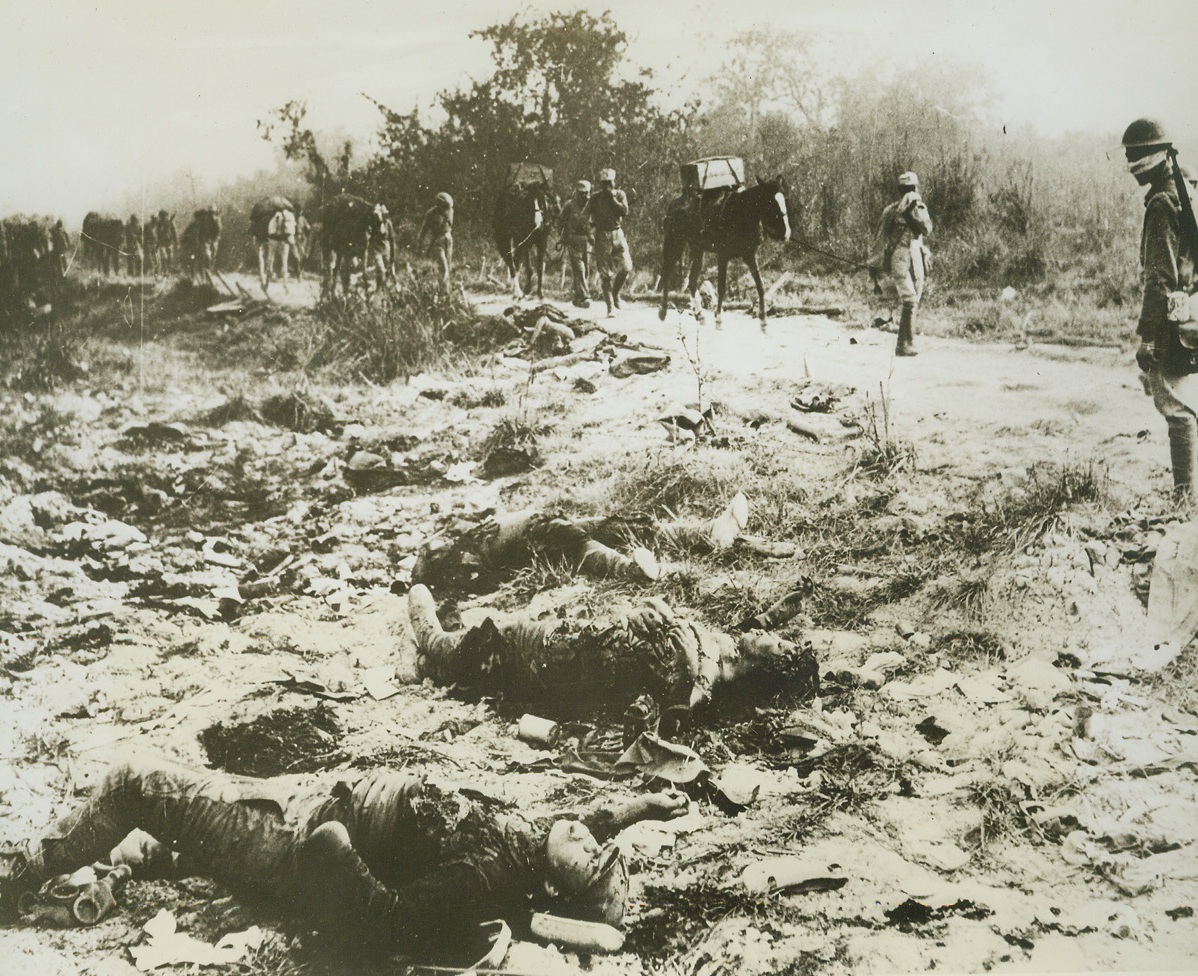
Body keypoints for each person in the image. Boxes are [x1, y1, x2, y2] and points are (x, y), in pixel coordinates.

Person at [1, 755, 688, 960]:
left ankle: (21, 868)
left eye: (592, 861)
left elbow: (386, 922)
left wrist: (336, 851)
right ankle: (113, 864)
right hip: (306, 804)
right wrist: (641, 806)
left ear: (556, 886)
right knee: (165, 836)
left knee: (135, 784)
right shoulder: (530, 843)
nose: (592, 843)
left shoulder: (481, 877)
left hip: (294, 850)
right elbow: (581, 826)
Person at [406, 581, 816, 719]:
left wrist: (660, 613)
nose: (770, 635)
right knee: (477, 665)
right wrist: (784, 608)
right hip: (568, 651)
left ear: (765, 661)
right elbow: (756, 627)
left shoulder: (703, 671)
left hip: (559, 658)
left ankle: (428, 645)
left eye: (778, 645)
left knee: (455, 644)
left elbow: (693, 695)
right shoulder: (725, 649)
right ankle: (432, 666)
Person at [413, 494, 751, 593]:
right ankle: (634, 570)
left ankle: (707, 533)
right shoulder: (464, 558)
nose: (435, 544)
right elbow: (489, 579)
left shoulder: (464, 537)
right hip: (539, 536)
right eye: (431, 551)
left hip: (542, 524)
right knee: (585, 549)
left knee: (617, 527)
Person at [1123, 117, 1198, 504]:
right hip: (1193, 305)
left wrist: (1148, 337)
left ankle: (1185, 500)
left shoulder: (1161, 202)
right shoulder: (1187, 190)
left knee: (1174, 402)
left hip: (1174, 314)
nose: (1130, 164)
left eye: (1134, 156)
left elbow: (1159, 277)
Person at [868, 172, 933, 356]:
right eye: (907, 189)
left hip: (916, 255)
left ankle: (904, 343)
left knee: (914, 298)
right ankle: (906, 344)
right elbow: (880, 238)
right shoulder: (891, 211)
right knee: (909, 298)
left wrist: (914, 210)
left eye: (911, 189)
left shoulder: (918, 208)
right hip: (901, 257)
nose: (910, 192)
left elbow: (926, 229)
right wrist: (874, 265)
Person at [586, 169, 632, 316]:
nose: (607, 186)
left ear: (614, 182)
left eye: (609, 183)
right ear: (600, 184)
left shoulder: (619, 194)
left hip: (618, 233)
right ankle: (610, 307)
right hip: (602, 235)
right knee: (605, 273)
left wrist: (613, 199)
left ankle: (615, 294)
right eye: (604, 183)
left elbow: (624, 211)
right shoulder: (594, 198)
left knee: (626, 267)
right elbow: (584, 216)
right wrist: (589, 232)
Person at [558, 180, 594, 307]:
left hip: (587, 240)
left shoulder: (591, 205)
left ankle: (578, 297)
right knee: (580, 268)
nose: (585, 196)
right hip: (572, 239)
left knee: (585, 269)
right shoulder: (569, 205)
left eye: (587, 193)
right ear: (577, 193)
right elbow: (560, 220)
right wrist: (562, 235)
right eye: (582, 193)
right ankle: (585, 296)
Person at [418, 192, 455, 287]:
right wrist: (420, 241)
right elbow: (424, 229)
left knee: (448, 266)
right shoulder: (431, 214)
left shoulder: (450, 211)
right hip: (438, 242)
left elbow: (449, 225)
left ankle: (447, 289)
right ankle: (443, 292)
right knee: (443, 268)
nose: (446, 209)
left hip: (448, 239)